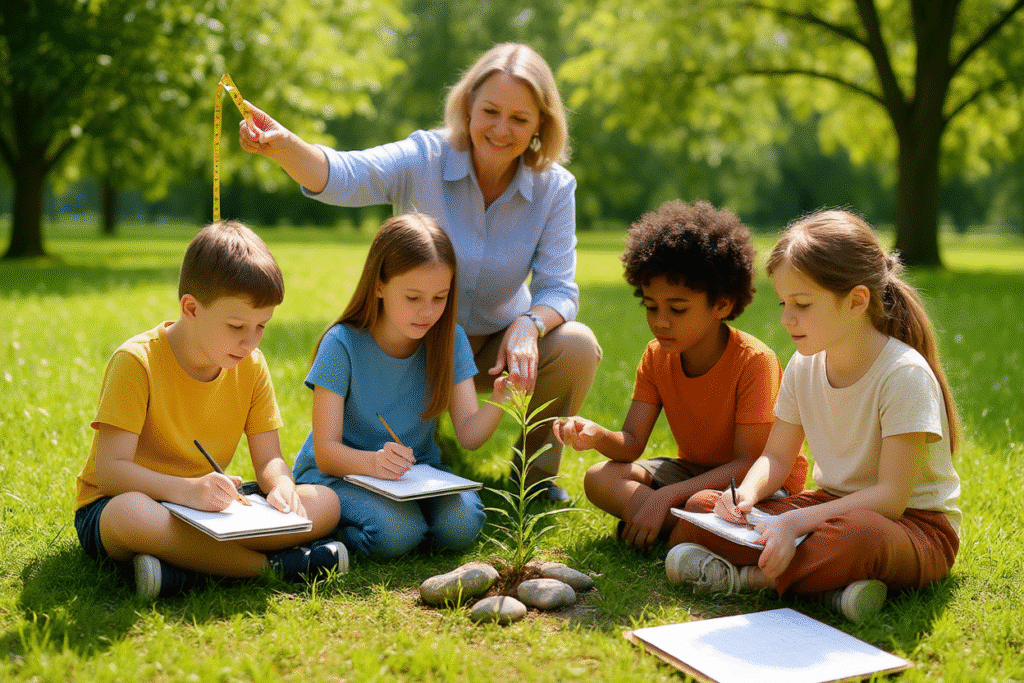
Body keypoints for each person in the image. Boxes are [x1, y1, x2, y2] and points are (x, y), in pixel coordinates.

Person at [238, 43, 601, 502]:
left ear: (541, 126)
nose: (501, 129)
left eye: (520, 118)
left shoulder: (555, 188)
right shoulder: (424, 157)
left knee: (577, 344)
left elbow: (559, 288)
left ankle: (535, 478)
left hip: (494, 350)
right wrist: (286, 146)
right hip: (414, 347)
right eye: (490, 110)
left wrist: (529, 325)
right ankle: (422, 441)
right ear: (467, 106)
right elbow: (347, 174)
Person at [665, 209, 962, 622]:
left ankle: (745, 580)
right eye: (785, 303)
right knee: (702, 506)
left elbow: (891, 499)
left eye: (802, 304)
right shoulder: (804, 366)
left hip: (910, 528)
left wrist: (796, 522)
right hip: (827, 507)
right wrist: (745, 497)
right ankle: (831, 592)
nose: (787, 318)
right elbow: (776, 458)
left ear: (857, 301)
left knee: (858, 538)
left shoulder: (903, 374)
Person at [73, 221, 345, 599]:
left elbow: (269, 460)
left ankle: (185, 571)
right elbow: (111, 474)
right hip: (126, 503)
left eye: (261, 327)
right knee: (131, 514)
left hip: (207, 505)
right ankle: (269, 568)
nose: (249, 341)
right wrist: (185, 491)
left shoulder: (250, 364)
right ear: (191, 308)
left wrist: (281, 486)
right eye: (236, 326)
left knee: (326, 503)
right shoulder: (136, 361)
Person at [554, 200, 807, 548]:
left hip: (758, 485)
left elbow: (749, 462)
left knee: (698, 503)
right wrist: (598, 435)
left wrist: (664, 497)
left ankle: (671, 524)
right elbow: (630, 444)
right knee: (599, 478)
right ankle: (684, 531)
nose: (660, 321)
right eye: (651, 306)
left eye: (677, 308)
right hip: (693, 473)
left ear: (722, 305)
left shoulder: (754, 361)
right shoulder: (657, 356)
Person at [291, 213, 525, 557]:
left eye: (439, 297)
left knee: (463, 524)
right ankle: (333, 529)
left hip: (415, 476)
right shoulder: (341, 344)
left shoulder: (449, 340)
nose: (427, 313)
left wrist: (501, 398)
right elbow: (326, 453)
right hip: (341, 474)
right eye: (413, 298)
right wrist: (374, 464)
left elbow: (470, 436)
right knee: (397, 533)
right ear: (380, 285)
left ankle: (411, 525)